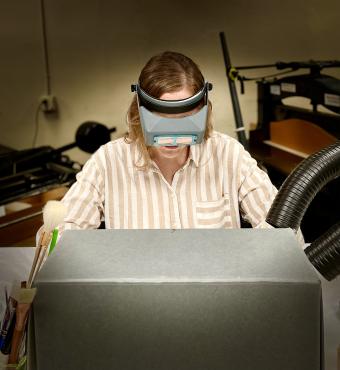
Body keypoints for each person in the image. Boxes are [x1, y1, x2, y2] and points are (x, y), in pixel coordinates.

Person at [53, 50, 281, 234]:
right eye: (160, 119)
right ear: (139, 111)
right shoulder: (108, 162)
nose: (172, 134)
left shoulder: (228, 155)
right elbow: (61, 232)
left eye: (184, 119)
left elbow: (281, 228)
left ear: (203, 110)